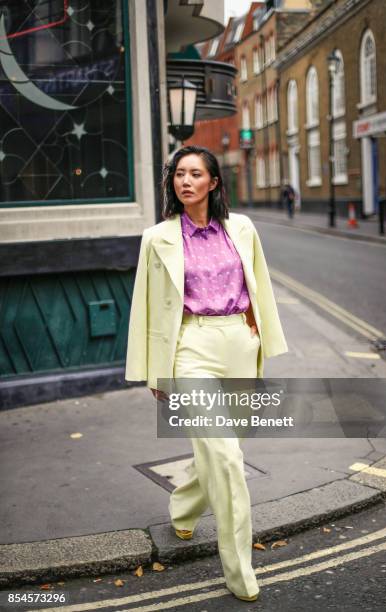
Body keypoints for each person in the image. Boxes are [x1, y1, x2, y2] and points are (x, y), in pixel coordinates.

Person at [125, 145, 288, 602]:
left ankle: (183, 505)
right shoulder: (157, 237)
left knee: (220, 449)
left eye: (196, 174)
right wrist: (154, 374)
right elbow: (146, 309)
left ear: (214, 182)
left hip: (239, 340)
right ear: (172, 183)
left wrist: (260, 340)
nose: (186, 181)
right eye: (179, 174)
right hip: (189, 347)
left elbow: (260, 286)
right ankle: (239, 568)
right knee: (228, 459)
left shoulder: (243, 228)